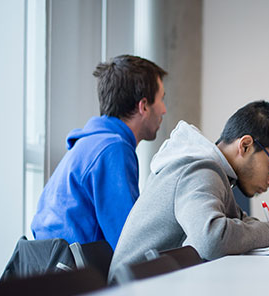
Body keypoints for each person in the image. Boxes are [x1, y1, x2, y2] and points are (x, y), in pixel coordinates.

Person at [108, 100, 269, 280]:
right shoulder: (199, 169)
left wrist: (267, 230)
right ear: (245, 145)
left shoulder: (217, 174)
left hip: (153, 287)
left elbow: (237, 219)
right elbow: (211, 239)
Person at [31, 55, 167, 250]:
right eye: (162, 99)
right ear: (143, 106)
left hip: (53, 269)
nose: (164, 110)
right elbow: (130, 244)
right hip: (76, 275)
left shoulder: (91, 143)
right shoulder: (112, 149)